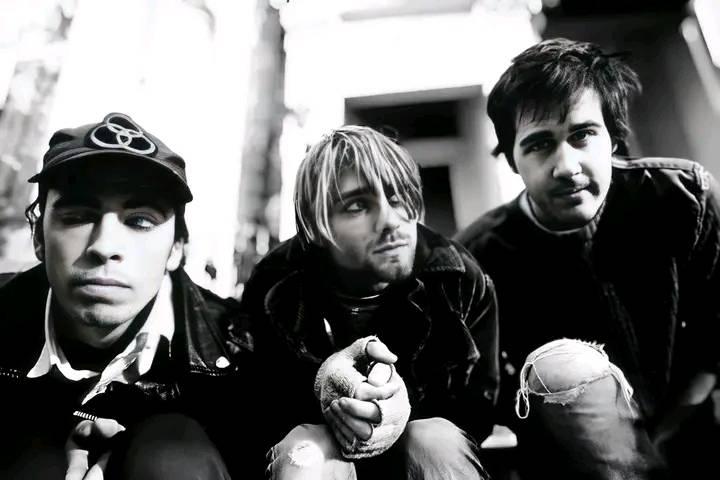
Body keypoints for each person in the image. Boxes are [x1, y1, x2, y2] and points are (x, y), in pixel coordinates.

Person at [456, 38, 720, 479]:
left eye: (582, 135)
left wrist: (666, 431)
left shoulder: (683, 198)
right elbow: (483, 390)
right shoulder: (478, 260)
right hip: (569, 460)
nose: (567, 166)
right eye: (539, 144)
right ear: (513, 161)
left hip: (692, 432)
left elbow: (715, 334)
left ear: (613, 138)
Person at [0, 112, 259, 479]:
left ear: (177, 249)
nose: (105, 246)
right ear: (39, 237)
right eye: (77, 216)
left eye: (140, 221)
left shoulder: (239, 352)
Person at [240, 125, 499, 479]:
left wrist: (401, 408)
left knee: (434, 441)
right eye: (358, 205)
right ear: (316, 226)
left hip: (420, 455)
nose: (391, 222)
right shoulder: (274, 286)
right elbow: (254, 419)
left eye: (397, 197)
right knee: (307, 450)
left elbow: (479, 413)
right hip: (328, 459)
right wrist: (324, 391)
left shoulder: (457, 278)